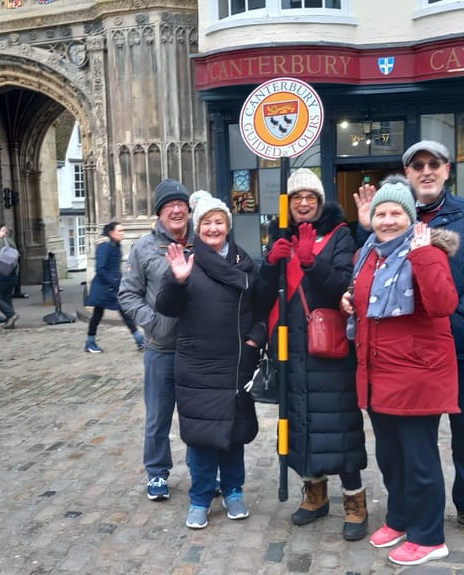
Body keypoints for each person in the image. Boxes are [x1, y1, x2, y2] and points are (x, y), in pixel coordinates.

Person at [354, 140, 464, 540]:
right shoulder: (393, 218)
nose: (426, 171)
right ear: (407, 174)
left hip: (462, 343)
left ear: (446, 170)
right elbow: (372, 274)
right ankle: (408, 511)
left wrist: (462, 308)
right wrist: (366, 226)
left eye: (434, 164)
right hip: (411, 355)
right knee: (410, 441)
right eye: (417, 165)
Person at [341, 175, 460, 566]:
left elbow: (443, 303)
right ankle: (401, 518)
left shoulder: (427, 250)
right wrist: (350, 301)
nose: (388, 220)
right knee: (391, 456)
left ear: (410, 218)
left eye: (396, 213)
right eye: (381, 213)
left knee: (419, 459)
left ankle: (429, 537)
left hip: (417, 375)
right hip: (378, 373)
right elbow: (366, 299)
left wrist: (423, 255)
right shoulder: (368, 254)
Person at [253, 168, 368, 540]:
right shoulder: (278, 234)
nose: (304, 203)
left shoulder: (341, 235)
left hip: (328, 345)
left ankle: (355, 500)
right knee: (300, 420)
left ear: (320, 202)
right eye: (297, 197)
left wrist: (309, 261)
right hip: (290, 346)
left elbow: (342, 286)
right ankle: (315, 495)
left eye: (311, 197)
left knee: (339, 423)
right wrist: (272, 263)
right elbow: (261, 296)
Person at [155, 192, 266, 529]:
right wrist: (178, 281)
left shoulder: (245, 264)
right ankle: (200, 499)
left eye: (219, 221)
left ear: (227, 226)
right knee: (202, 437)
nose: (213, 228)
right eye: (207, 222)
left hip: (234, 365)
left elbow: (261, 311)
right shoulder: (185, 262)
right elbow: (166, 307)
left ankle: (233, 492)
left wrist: (254, 340)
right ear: (197, 228)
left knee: (233, 436)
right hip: (197, 366)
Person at [118, 178, 195, 501]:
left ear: (189, 211)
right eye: (168, 206)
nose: (176, 210)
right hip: (161, 350)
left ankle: (201, 471)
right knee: (158, 417)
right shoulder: (144, 248)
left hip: (197, 349)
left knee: (198, 417)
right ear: (160, 214)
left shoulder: (203, 241)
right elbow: (127, 294)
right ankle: (157, 474)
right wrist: (153, 324)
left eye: (180, 204)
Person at [83, 222, 145, 353]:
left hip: (112, 287)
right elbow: (100, 268)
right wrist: (115, 282)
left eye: (123, 230)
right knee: (98, 315)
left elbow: (114, 268)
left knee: (122, 312)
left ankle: (140, 340)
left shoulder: (116, 246)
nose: (122, 233)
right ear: (111, 233)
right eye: (119, 230)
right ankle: (90, 342)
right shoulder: (105, 246)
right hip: (103, 288)